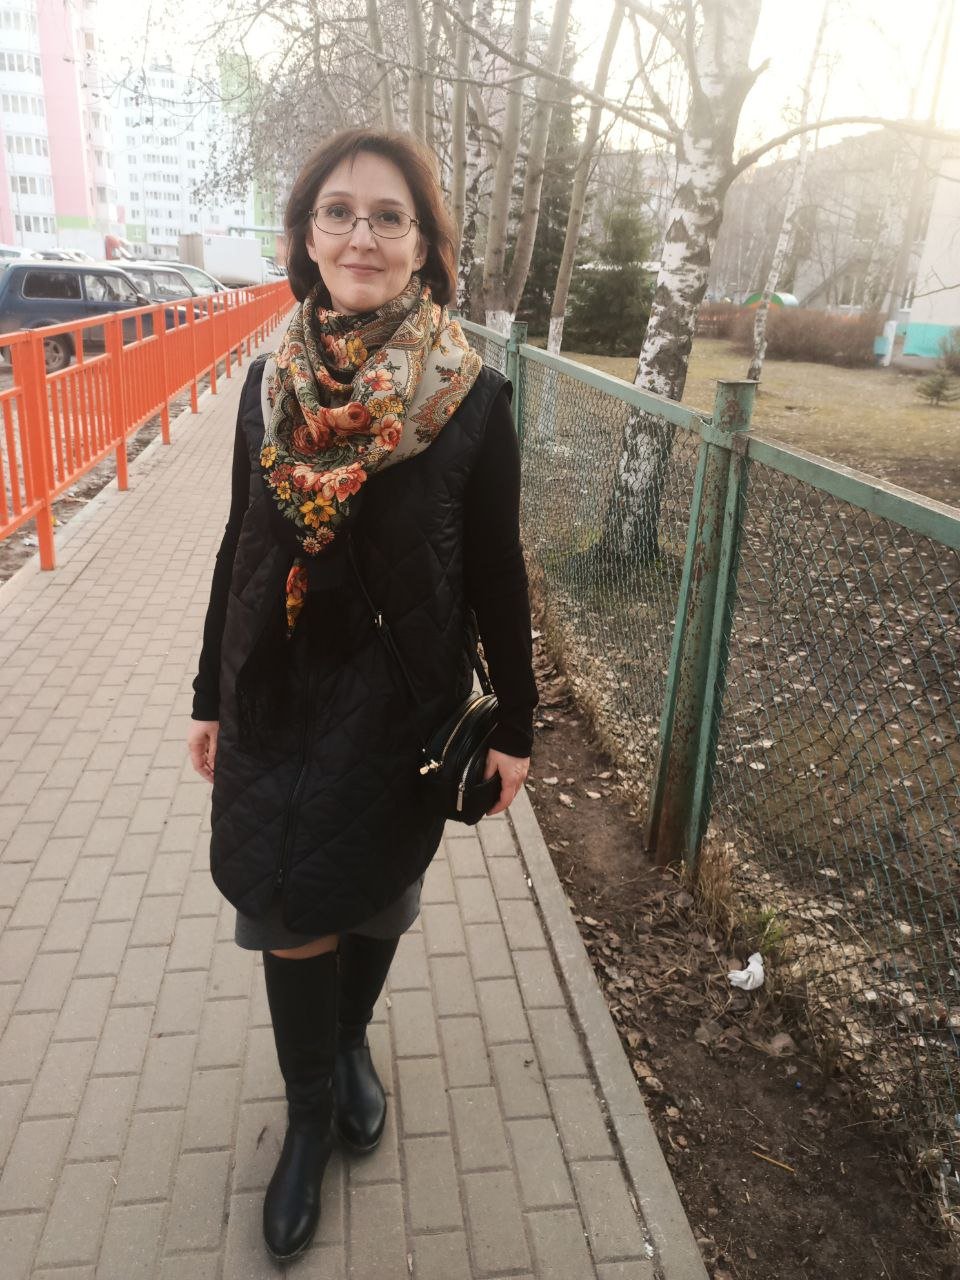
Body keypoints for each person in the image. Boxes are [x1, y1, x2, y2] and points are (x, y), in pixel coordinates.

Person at [186, 127, 538, 1261]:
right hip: (275, 686)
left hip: (399, 701)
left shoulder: (470, 397)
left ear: (427, 245)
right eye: (338, 212)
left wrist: (517, 720)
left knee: (377, 889)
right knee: (283, 898)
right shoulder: (268, 381)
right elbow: (240, 539)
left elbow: (496, 570)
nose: (362, 236)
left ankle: (347, 1043)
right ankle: (305, 1120)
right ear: (305, 235)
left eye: (390, 216)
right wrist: (206, 691)